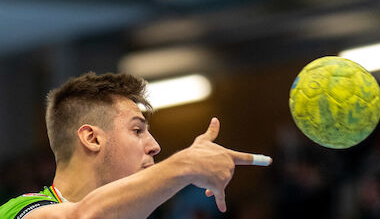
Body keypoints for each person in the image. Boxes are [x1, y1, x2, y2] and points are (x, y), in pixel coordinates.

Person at [0, 72, 272, 219]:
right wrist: (186, 164)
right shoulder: (20, 212)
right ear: (92, 138)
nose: (154, 146)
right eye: (137, 130)